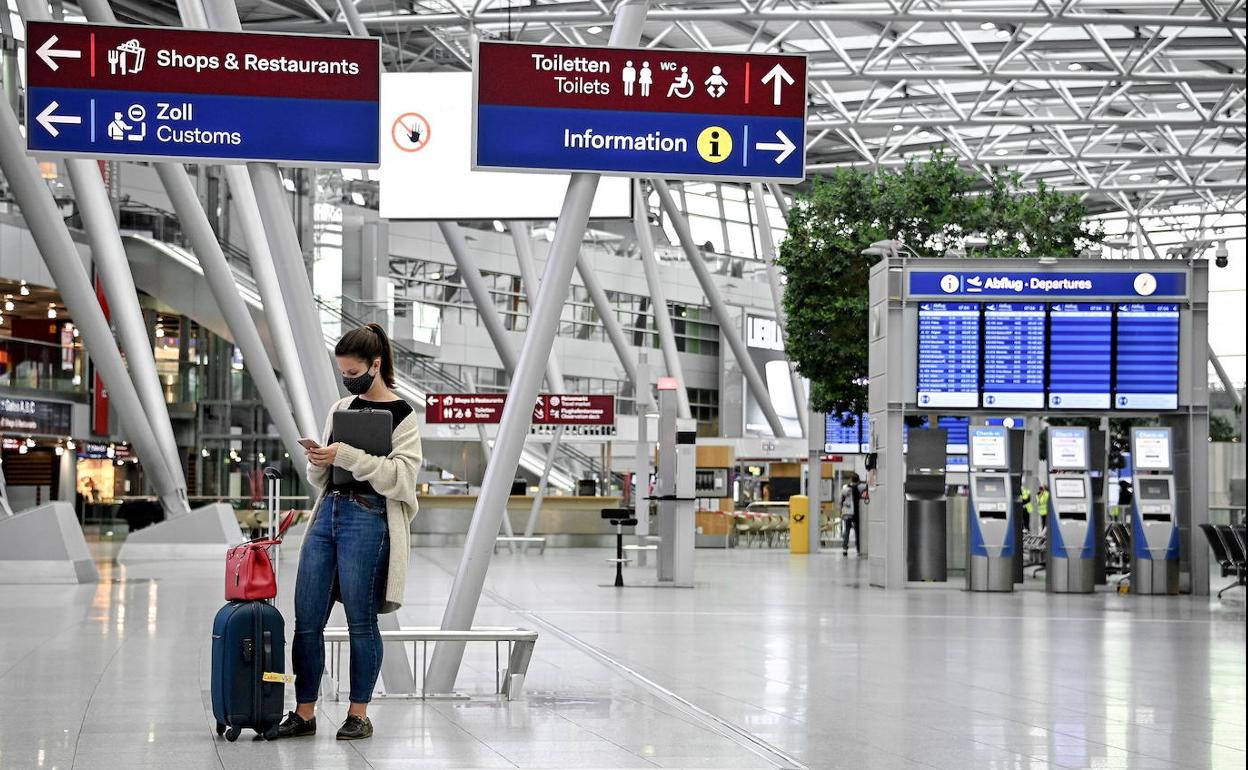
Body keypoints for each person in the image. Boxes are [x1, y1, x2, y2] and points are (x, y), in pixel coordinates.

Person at [270, 323, 422, 742]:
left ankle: (359, 713)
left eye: (354, 371)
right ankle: (304, 713)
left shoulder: (403, 416)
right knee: (306, 619)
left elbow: (402, 479)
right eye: (343, 372)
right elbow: (320, 477)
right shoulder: (342, 406)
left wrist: (349, 455)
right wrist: (320, 459)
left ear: (376, 365)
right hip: (328, 514)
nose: (349, 379)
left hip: (369, 518)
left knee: (360, 620)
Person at [840, 472, 866, 555]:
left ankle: (845, 549)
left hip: (847, 513)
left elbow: (841, 500)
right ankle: (859, 549)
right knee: (858, 532)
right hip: (856, 513)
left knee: (847, 531)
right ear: (858, 480)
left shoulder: (845, 488)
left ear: (851, 479)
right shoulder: (860, 487)